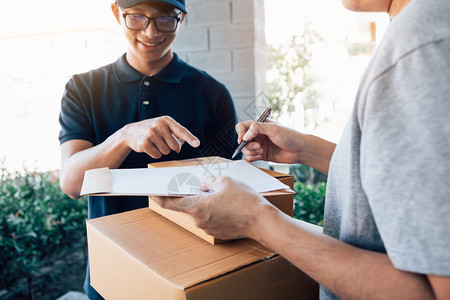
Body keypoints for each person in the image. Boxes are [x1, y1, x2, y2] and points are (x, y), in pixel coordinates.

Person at [153, 0, 450, 298]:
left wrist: (257, 220)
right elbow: (398, 179)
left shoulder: (422, 40)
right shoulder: (417, 30)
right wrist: (305, 150)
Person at [58, 0, 240, 298]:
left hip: (190, 273)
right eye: (137, 18)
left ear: (182, 18)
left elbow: (230, 189)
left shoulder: (213, 94)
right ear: (117, 13)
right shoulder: (83, 89)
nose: (151, 31)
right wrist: (124, 136)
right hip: (110, 273)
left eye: (165, 20)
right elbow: (72, 183)